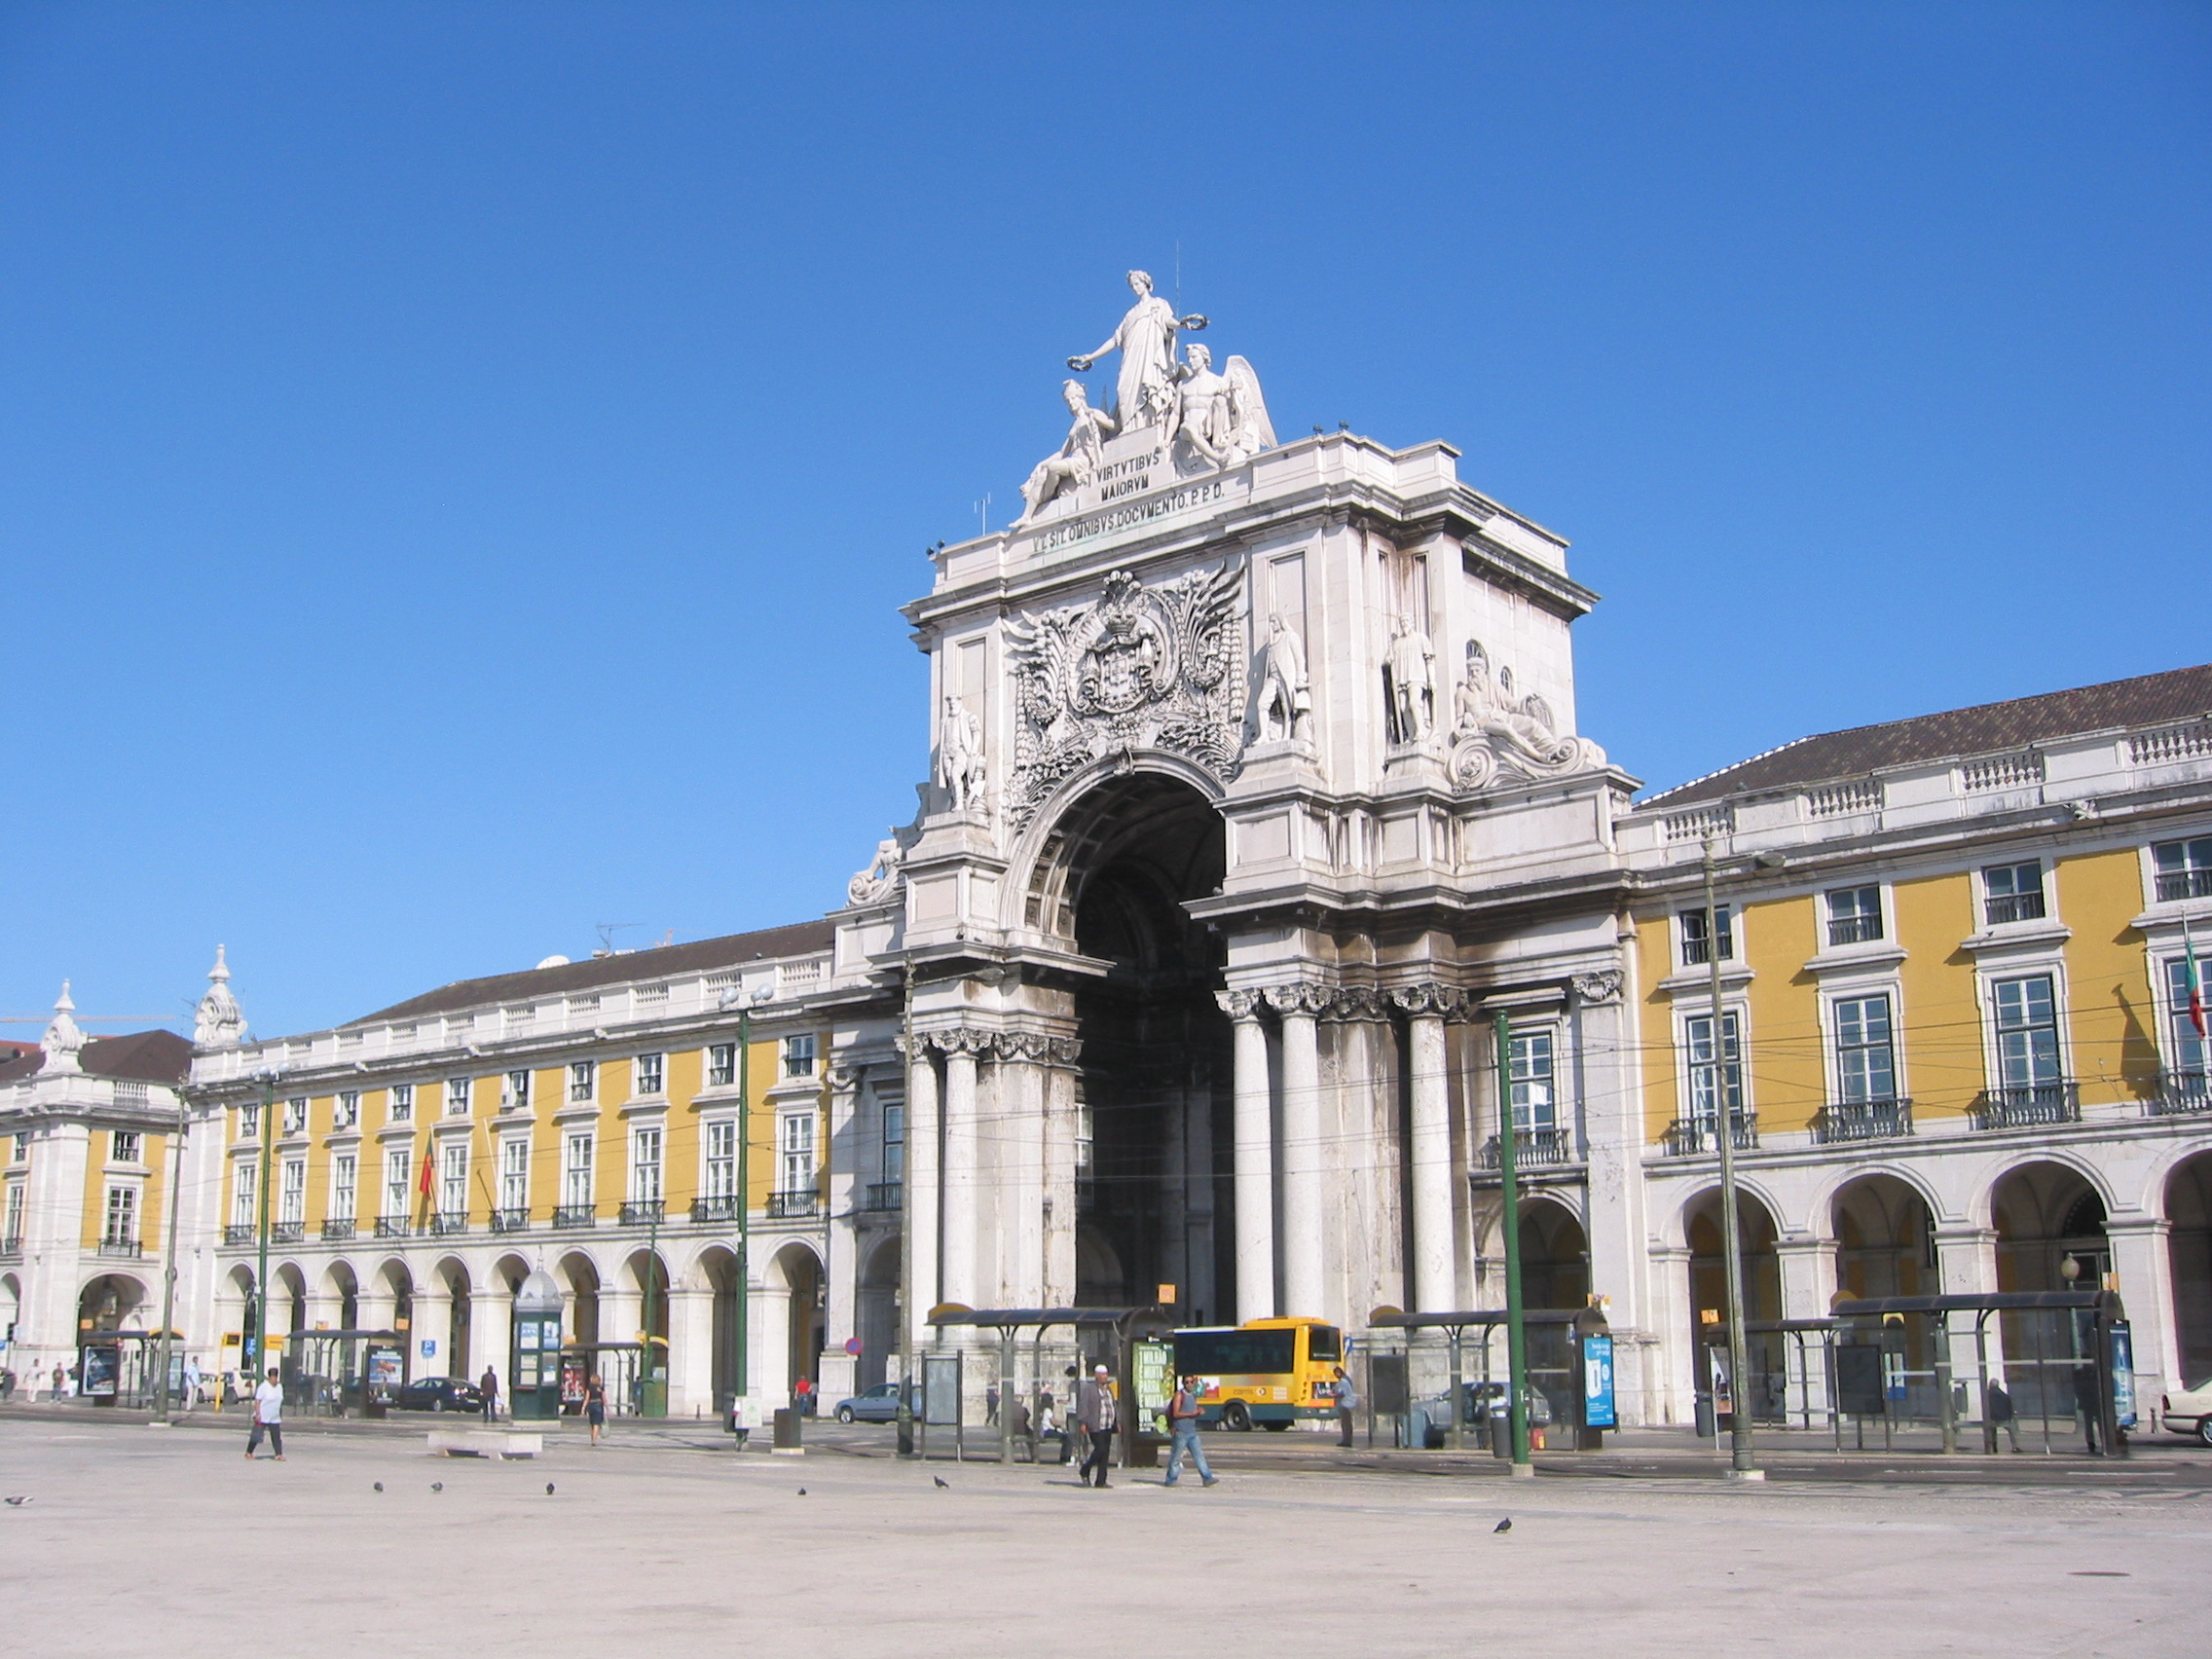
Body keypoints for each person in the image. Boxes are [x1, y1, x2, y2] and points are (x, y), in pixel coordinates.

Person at [1162, 1374, 1219, 1489]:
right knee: (1176, 1457)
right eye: (1187, 1382)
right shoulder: (1179, 1395)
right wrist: (1191, 1414)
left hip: (1192, 1431)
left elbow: (1192, 1410)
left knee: (1199, 1456)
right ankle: (1170, 1479)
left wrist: (1198, 1412)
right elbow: (1176, 1413)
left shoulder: (1193, 1395)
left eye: (1191, 1382)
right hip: (1181, 1431)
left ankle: (1207, 1478)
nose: (1189, 1384)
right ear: (1183, 1384)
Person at [1077, 1364, 1118, 1488]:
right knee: (1100, 1449)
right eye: (1102, 1375)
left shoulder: (1108, 1389)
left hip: (1108, 1425)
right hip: (1095, 1425)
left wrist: (1117, 1422)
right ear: (1096, 1375)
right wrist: (1083, 1422)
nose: (1105, 1377)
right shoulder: (1089, 1389)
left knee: (1105, 1454)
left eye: (1106, 1374)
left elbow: (1113, 1406)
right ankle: (1085, 1468)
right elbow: (1083, 1405)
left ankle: (1101, 1480)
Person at [245, 1366, 285, 1461]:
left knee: (276, 1436)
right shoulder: (264, 1387)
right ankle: (249, 1452)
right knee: (256, 1436)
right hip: (263, 1416)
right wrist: (258, 1414)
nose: (274, 1380)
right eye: (273, 1377)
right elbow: (258, 1401)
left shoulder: (279, 1387)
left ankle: (278, 1454)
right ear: (269, 1377)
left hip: (274, 1416)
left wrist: (279, 1413)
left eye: (276, 1377)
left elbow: (279, 1400)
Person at [1986, 1378, 2021, 1452]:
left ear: (1990, 1385)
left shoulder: (1986, 1395)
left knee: (1992, 1430)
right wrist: (2011, 1416)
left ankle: (1994, 1447)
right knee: (2012, 1428)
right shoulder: (2004, 1395)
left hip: (1991, 1418)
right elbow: (2010, 1407)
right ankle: (2015, 1446)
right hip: (2004, 1418)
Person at [1331, 1365, 1360, 1448]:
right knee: (1347, 1424)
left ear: (1339, 1372)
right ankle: (1347, 1440)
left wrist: (1333, 1394)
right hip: (1348, 1404)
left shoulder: (1343, 1381)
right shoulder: (1346, 1380)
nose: (1336, 1375)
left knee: (1346, 1424)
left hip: (1345, 1404)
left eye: (1336, 1373)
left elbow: (1341, 1393)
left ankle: (1346, 1441)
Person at [585, 1374, 607, 1446]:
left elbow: (587, 1399)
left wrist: (583, 1408)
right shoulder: (601, 1388)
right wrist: (607, 1408)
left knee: (591, 1424)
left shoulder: (589, 1387)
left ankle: (592, 1439)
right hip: (598, 1405)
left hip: (591, 1405)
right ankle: (594, 1440)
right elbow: (604, 1398)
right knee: (596, 1424)